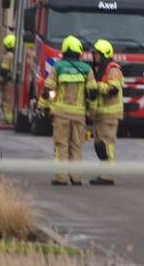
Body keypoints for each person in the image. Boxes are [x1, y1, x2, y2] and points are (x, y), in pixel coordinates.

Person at [39, 35, 96, 186]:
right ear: (79, 51)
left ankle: (61, 177)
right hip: (79, 114)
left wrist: (41, 107)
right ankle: (76, 178)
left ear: (64, 50)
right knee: (76, 146)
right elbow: (93, 93)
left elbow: (47, 90)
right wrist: (92, 112)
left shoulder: (58, 67)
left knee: (61, 145)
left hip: (61, 114)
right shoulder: (86, 69)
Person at [88, 39, 124, 185]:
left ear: (103, 54)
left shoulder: (113, 70)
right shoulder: (100, 70)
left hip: (110, 115)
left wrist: (97, 86)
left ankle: (108, 175)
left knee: (107, 144)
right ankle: (104, 172)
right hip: (101, 115)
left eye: (97, 54)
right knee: (99, 145)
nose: (94, 57)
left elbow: (113, 90)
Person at [0, 33, 16, 124]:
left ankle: (9, 119)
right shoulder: (18, 55)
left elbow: (3, 71)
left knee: (6, 101)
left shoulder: (8, 55)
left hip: (8, 82)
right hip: (15, 82)